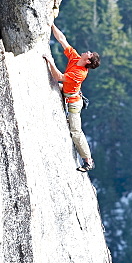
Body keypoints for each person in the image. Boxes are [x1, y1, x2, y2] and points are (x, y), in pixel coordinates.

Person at [43, 23, 100, 171]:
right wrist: (51, 25)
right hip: (68, 92)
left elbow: (59, 76)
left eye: (90, 54)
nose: (87, 51)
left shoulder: (79, 73)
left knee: (76, 131)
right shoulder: (76, 58)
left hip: (73, 102)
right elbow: (62, 40)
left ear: (88, 61)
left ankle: (88, 160)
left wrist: (50, 61)